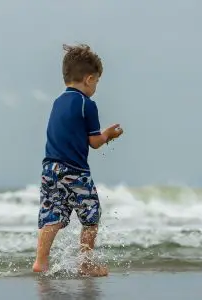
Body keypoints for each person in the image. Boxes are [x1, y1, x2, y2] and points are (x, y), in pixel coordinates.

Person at [32, 43, 123, 277]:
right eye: (97, 82)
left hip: (50, 166)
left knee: (52, 213)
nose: (96, 88)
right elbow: (94, 142)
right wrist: (108, 136)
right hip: (75, 169)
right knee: (91, 214)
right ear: (89, 79)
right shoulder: (87, 104)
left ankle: (41, 262)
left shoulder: (58, 101)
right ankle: (86, 263)